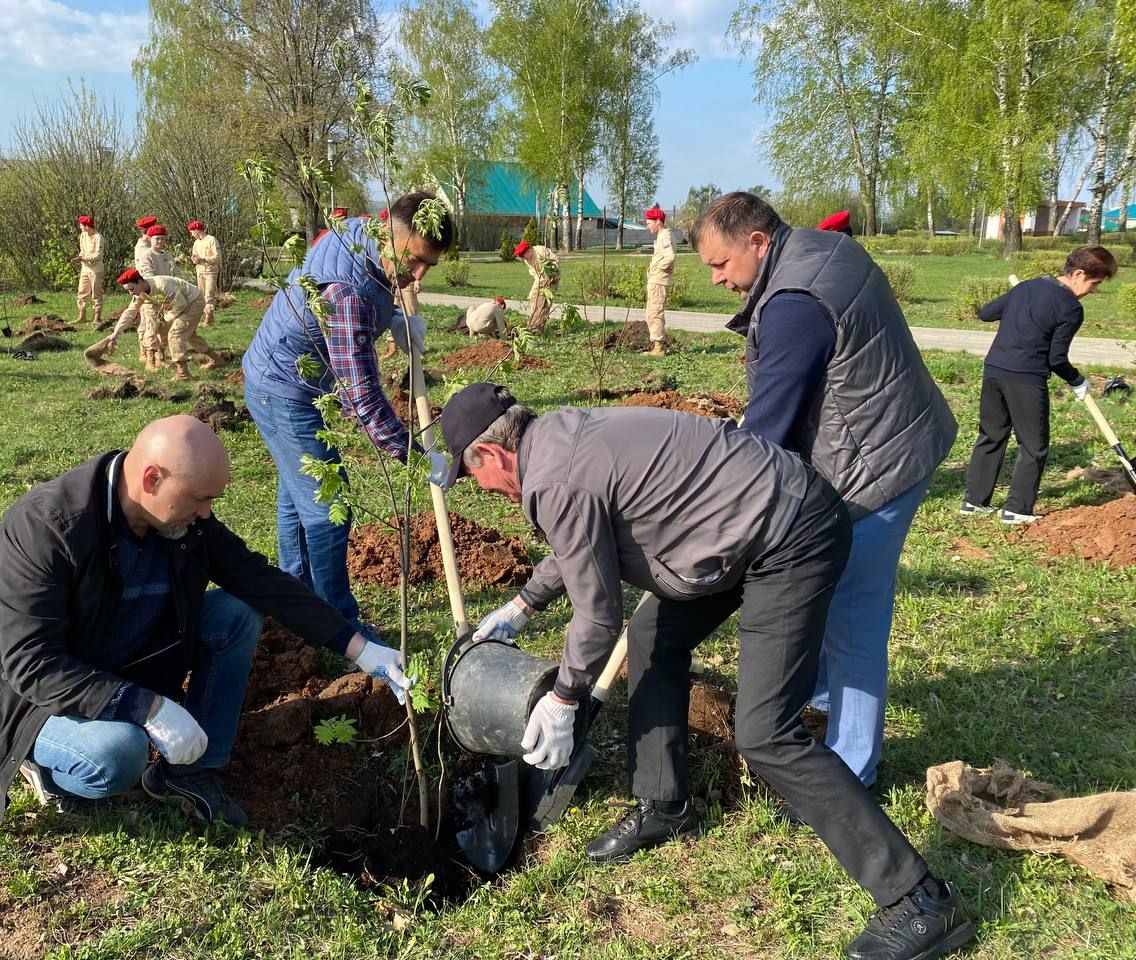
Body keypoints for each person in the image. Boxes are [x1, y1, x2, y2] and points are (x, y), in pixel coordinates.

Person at [449, 384, 974, 960]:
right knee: (652, 639)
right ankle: (664, 803)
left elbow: (599, 618)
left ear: (491, 455)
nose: (484, 491)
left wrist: (565, 699)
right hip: (736, 526)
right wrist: (524, 604)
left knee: (765, 732)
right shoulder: (559, 439)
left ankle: (919, 899)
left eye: (472, 476)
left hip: (787, 534)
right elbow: (581, 537)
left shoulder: (551, 479)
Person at [0, 415, 411, 828]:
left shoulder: (179, 521)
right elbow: (32, 665)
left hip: (112, 663)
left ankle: (193, 772)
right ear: (152, 478)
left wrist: (359, 647)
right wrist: (148, 707)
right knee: (117, 755)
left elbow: (259, 579)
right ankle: (41, 766)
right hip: (25, 697)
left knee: (235, 615)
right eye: (200, 499)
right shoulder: (49, 528)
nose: (206, 514)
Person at [690, 192, 957, 791]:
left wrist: (717, 513)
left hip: (876, 466)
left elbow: (768, 427)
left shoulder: (792, 304)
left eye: (721, 265)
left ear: (758, 241)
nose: (717, 280)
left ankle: (852, 766)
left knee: (853, 614)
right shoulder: (817, 247)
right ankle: (819, 697)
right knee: (827, 589)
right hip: (895, 430)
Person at [242, 192, 453, 628]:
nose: (418, 277)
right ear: (389, 234)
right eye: (413, 261)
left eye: (429, 265)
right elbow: (362, 396)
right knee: (326, 505)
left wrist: (392, 315)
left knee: (298, 495)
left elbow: (375, 288)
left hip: (290, 376)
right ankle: (336, 622)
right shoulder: (347, 296)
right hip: (281, 388)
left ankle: (293, 599)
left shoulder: (361, 231)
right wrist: (414, 456)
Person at [961, 246, 1118, 524]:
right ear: (1079, 274)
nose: (1094, 291)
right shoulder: (1070, 308)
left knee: (991, 436)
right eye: (1095, 283)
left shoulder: (1028, 287)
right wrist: (1077, 380)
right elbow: (1056, 359)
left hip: (995, 370)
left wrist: (1020, 303)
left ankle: (974, 502)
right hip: (1026, 378)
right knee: (1034, 447)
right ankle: (1017, 510)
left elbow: (986, 313)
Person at [116, 268, 224, 380]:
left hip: (193, 302)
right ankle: (216, 360)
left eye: (131, 289)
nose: (130, 293)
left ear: (139, 282)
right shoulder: (140, 291)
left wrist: (165, 319)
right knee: (188, 334)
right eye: (128, 290)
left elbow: (181, 304)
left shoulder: (162, 284)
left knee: (176, 334)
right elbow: (130, 312)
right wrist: (116, 333)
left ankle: (183, 374)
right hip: (181, 304)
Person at [96, 225, 176, 372]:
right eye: (157, 239)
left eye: (162, 239)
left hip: (166, 296)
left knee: (164, 329)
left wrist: (172, 290)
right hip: (149, 295)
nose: (160, 242)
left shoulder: (168, 256)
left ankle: (161, 357)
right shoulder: (146, 255)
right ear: (150, 239)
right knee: (150, 327)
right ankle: (150, 359)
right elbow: (148, 276)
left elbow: (176, 274)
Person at [642, 205, 676, 357]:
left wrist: (659, 269)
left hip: (658, 280)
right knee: (651, 312)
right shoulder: (661, 236)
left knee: (655, 312)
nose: (647, 226)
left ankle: (659, 349)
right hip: (656, 280)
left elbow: (670, 256)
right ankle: (656, 345)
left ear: (658, 221)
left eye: (649, 222)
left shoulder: (665, 236)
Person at [514, 239, 559, 334]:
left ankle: (537, 328)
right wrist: (539, 281)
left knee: (543, 303)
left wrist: (551, 275)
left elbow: (555, 260)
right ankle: (533, 323)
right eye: (521, 256)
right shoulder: (527, 260)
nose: (523, 258)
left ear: (529, 250)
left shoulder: (540, 251)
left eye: (523, 255)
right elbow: (534, 273)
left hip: (551, 279)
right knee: (532, 298)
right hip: (539, 280)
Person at [73, 216, 105, 327]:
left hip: (96, 269)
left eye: (81, 225)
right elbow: (82, 250)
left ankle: (97, 317)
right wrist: (79, 258)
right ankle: (82, 316)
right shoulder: (82, 236)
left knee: (96, 293)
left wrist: (84, 258)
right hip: (85, 268)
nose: (80, 227)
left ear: (87, 226)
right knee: (82, 292)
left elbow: (98, 255)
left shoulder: (98, 237)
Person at [188, 221, 221, 327]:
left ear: (197, 230)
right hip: (200, 271)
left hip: (210, 271)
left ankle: (208, 319)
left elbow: (217, 257)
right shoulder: (196, 243)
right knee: (201, 296)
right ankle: (208, 316)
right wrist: (194, 259)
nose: (192, 234)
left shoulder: (211, 240)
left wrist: (203, 259)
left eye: (192, 232)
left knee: (209, 295)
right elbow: (194, 255)